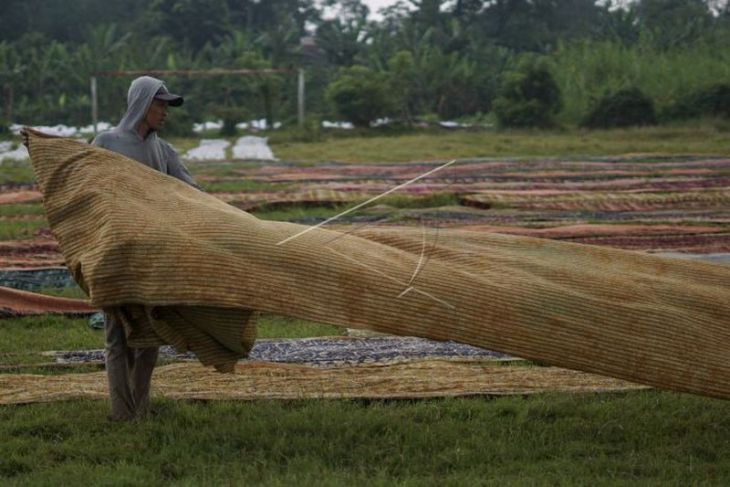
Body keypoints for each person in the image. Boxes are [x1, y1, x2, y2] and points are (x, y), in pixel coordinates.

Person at [93, 75, 199, 420]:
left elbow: (191, 194)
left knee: (150, 336)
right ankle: (121, 412)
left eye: (167, 105)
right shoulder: (107, 143)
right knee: (118, 337)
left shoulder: (163, 150)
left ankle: (141, 408)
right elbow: (88, 189)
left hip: (153, 256)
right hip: (116, 253)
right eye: (160, 104)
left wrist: (231, 219)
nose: (165, 112)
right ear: (141, 103)